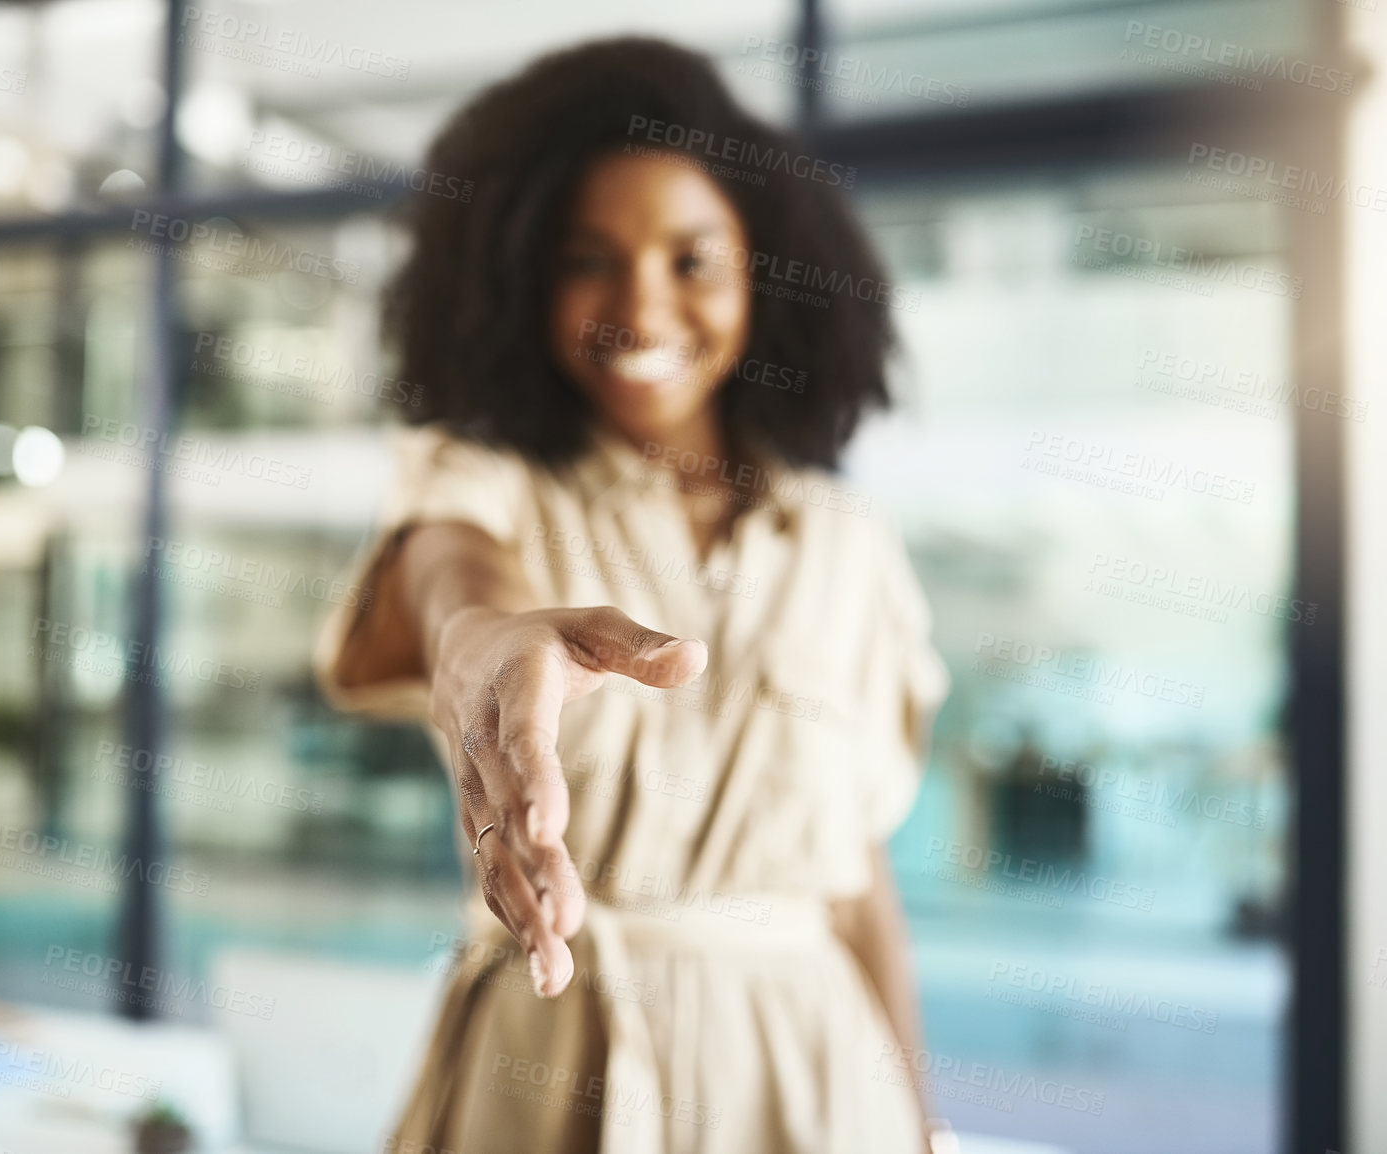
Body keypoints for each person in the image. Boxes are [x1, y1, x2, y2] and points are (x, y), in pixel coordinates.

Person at [315, 36, 954, 1154]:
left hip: (809, 1078)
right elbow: (449, 567)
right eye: (585, 260)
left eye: (691, 259)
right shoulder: (487, 479)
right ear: (521, 278)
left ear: (763, 269)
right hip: (551, 1056)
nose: (638, 306)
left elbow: (858, 891)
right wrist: (477, 632)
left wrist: (916, 1122)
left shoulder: (844, 543)